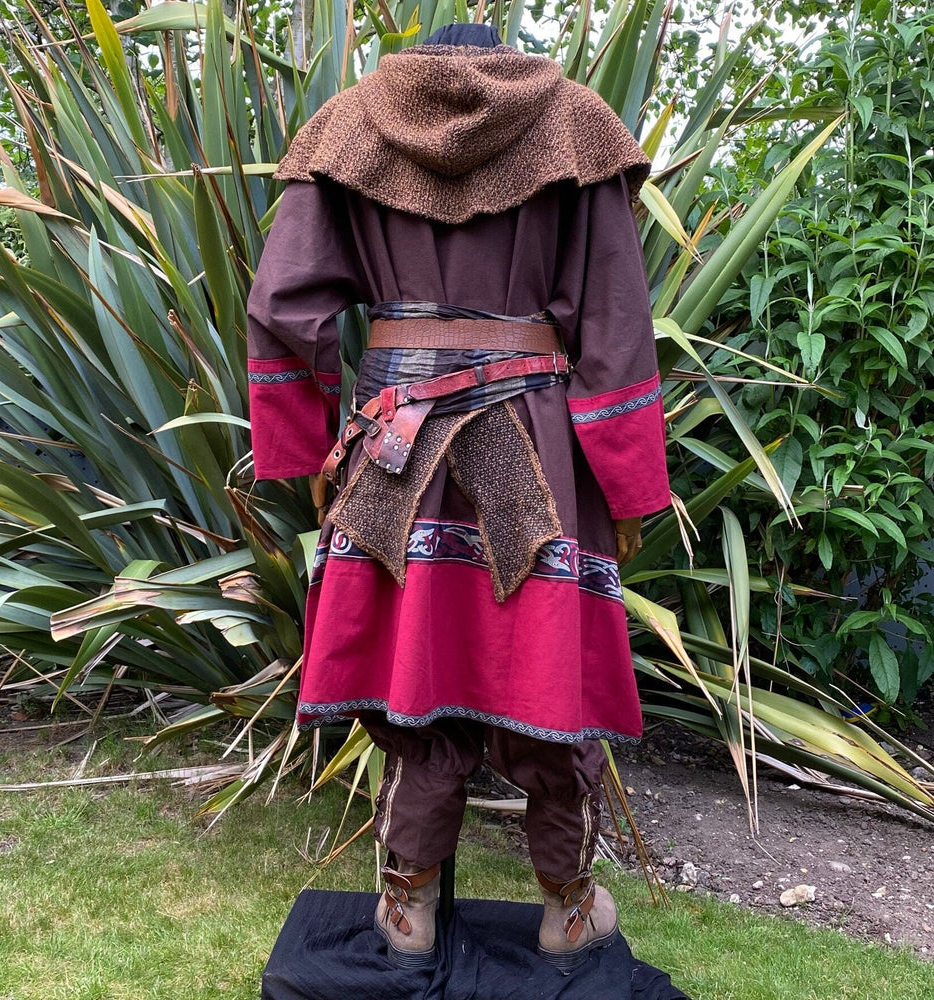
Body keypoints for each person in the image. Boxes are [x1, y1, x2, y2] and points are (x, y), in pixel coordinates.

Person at [246, 21, 671, 975]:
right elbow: (614, 326)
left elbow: (282, 305)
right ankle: (567, 905)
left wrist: (303, 447)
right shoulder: (574, 126)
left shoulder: (349, 126)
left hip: (397, 446)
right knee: (545, 671)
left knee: (418, 674)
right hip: (537, 442)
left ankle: (407, 906)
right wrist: (630, 486)